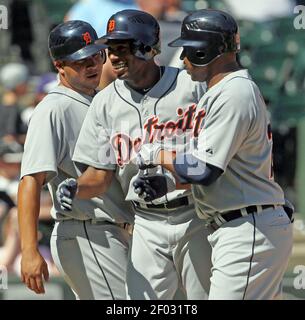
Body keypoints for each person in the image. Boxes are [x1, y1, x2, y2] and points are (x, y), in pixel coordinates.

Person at [134, 9, 294, 300]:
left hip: (248, 228)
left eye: (189, 50)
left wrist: (158, 153)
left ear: (210, 51)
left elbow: (203, 170)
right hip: (242, 224)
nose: (183, 59)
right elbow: (219, 170)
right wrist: (169, 184)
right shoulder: (221, 92)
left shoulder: (234, 92)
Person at [57, 9, 212, 300]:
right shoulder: (104, 101)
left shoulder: (192, 87)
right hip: (146, 223)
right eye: (110, 49)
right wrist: (76, 187)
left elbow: (219, 158)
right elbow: (100, 175)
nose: (113, 57)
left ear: (147, 48)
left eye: (122, 48)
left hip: (197, 214)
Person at [17, 20, 134, 300]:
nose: (92, 65)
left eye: (96, 56)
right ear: (59, 66)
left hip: (110, 232)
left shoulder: (97, 100)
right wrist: (29, 250)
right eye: (81, 61)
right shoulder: (53, 108)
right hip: (86, 232)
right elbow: (30, 181)